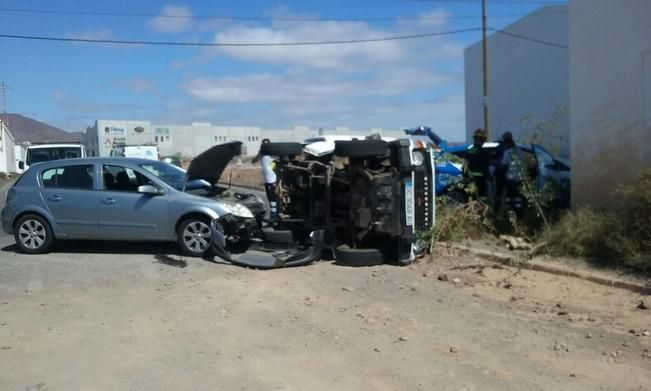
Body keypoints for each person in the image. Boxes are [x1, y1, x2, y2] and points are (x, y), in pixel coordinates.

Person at [252, 139, 278, 226]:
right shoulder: (262, 154)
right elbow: (254, 161)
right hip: (267, 181)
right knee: (270, 199)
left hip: (272, 180)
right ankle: (273, 217)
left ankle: (274, 217)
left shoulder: (272, 154)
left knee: (273, 200)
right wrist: (260, 152)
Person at [465, 128, 492, 203]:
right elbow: (486, 168)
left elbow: (465, 166)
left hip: (471, 180)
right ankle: (482, 211)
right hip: (481, 180)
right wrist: (490, 178)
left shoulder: (469, 152)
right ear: (483, 140)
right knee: (483, 197)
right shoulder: (484, 152)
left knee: (472, 198)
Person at [494, 131, 516, 212]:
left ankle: (498, 210)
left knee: (501, 194)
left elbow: (503, 164)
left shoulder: (507, 151)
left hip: (506, 175)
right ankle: (514, 212)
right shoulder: (517, 149)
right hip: (515, 177)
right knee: (512, 196)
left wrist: (495, 163)